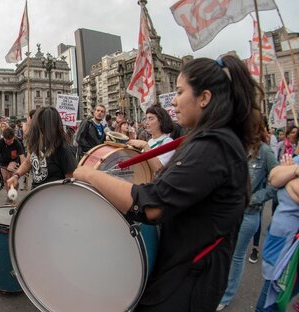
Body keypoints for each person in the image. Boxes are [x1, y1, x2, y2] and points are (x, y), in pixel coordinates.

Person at [73, 55, 261, 310]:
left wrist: (92, 175)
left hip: (188, 281)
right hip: (187, 269)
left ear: (204, 98)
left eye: (181, 92)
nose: (173, 100)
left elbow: (153, 206)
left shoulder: (214, 146)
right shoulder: (213, 140)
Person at [217, 119, 278, 311]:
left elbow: (276, 184)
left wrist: (254, 198)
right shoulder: (236, 147)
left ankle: (226, 296)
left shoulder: (265, 152)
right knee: (223, 252)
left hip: (249, 214)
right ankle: (219, 288)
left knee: (236, 256)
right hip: (228, 210)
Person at [255, 153, 299, 311]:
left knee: (269, 304)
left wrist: (288, 178)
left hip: (292, 254)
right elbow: (273, 178)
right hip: (278, 245)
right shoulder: (296, 161)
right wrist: (295, 171)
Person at [7, 107, 77, 190]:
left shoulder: (63, 148)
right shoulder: (36, 142)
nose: (33, 125)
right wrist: (16, 175)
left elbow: (71, 180)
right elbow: (28, 162)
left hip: (54, 197)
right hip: (36, 194)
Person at [128, 105, 176, 173]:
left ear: (161, 121)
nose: (147, 123)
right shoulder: (150, 141)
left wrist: (145, 145)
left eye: (151, 119)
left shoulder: (169, 143)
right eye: (146, 119)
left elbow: (158, 169)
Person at [0, 127, 26, 203]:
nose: (10, 142)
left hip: (13, 161)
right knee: (6, 180)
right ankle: (10, 196)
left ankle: (13, 192)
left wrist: (23, 169)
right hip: (3, 162)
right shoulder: (0, 143)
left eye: (11, 140)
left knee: (11, 170)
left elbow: (22, 157)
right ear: (4, 138)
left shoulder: (17, 142)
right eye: (7, 141)